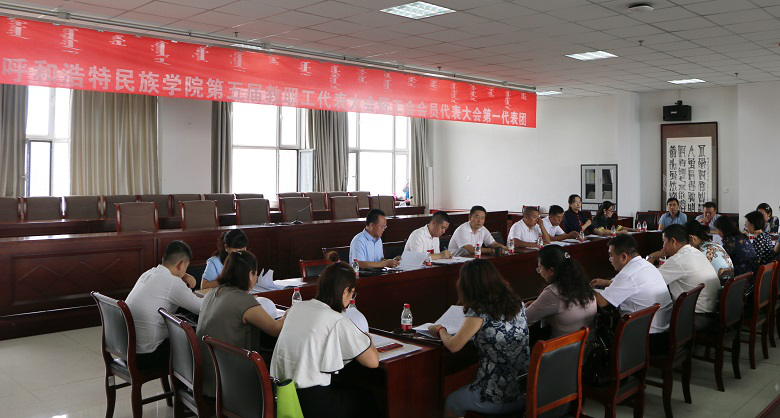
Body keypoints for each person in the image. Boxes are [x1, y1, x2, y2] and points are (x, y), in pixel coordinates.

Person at [271, 263, 379, 418]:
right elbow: (372, 362)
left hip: (284, 395)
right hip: (313, 404)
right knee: (367, 397)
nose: (351, 298)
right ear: (344, 291)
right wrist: (368, 339)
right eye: (352, 293)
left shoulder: (296, 308)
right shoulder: (336, 320)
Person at [428, 259, 529, 417]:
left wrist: (440, 329)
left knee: (452, 401)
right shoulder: (517, 303)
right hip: (523, 390)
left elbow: (453, 346)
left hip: (497, 397)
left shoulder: (479, 312)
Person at [196, 251, 285, 397]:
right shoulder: (244, 301)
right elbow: (276, 329)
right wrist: (290, 313)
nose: (256, 278)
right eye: (255, 274)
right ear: (250, 275)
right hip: (230, 384)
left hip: (207, 378)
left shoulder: (212, 293)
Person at [590, 234, 673, 355]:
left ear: (623, 256)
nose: (610, 259)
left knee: (600, 325)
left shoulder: (628, 275)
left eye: (611, 255)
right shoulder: (646, 265)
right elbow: (633, 284)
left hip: (647, 339)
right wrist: (606, 282)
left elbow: (602, 302)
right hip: (663, 332)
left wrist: (584, 287)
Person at [125, 241, 202, 369]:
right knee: (199, 343)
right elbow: (202, 308)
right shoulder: (172, 282)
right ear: (181, 264)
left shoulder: (148, 273)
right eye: (186, 267)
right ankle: (195, 381)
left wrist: (183, 275)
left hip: (129, 351)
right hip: (148, 357)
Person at [656, 225, 720, 331]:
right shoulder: (696, 252)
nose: (663, 247)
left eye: (664, 242)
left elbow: (652, 281)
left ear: (673, 241)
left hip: (695, 317)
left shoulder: (678, 259)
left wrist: (652, 256)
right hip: (711, 313)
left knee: (651, 318)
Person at [526, 246, 596, 337]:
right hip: (590, 342)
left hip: (565, 345)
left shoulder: (552, 292)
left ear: (551, 270)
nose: (540, 272)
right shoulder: (584, 284)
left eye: (540, 268)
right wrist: (539, 304)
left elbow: (526, 319)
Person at [714, 216, 760, 282]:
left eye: (717, 230)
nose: (717, 233)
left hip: (743, 281)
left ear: (722, 230)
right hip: (754, 276)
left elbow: (721, 261)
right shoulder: (743, 236)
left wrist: (718, 248)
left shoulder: (730, 242)